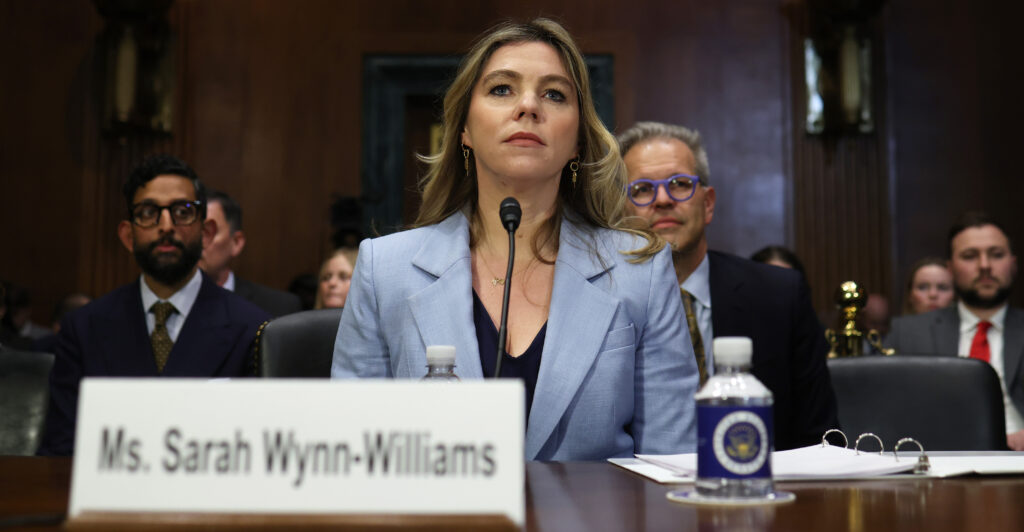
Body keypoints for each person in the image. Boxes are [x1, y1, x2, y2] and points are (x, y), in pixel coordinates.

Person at [332, 19, 697, 461]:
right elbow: (357, 462)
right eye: (502, 89)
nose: (528, 106)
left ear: (579, 139)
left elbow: (672, 466)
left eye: (554, 94)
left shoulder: (642, 272)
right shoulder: (383, 270)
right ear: (464, 130)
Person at [618, 121, 838, 451]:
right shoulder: (602, 307)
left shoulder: (780, 297)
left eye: (679, 184)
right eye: (642, 189)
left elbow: (821, 439)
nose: (662, 199)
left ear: (707, 204)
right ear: (620, 211)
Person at [38, 155, 270, 456]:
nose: (166, 225)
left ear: (207, 232)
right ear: (127, 235)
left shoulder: (253, 328)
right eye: (148, 212)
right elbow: (61, 450)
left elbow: (259, 450)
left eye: (182, 212)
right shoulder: (83, 329)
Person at [886, 211, 1024, 450]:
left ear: (1013, 263)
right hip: (936, 464)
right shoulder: (908, 333)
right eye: (970, 256)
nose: (984, 266)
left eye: (996, 255)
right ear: (950, 269)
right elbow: (884, 410)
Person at [199, 190, 302, 317]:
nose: (197, 242)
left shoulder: (278, 307)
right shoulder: (168, 305)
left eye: (208, 232)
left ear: (236, 242)